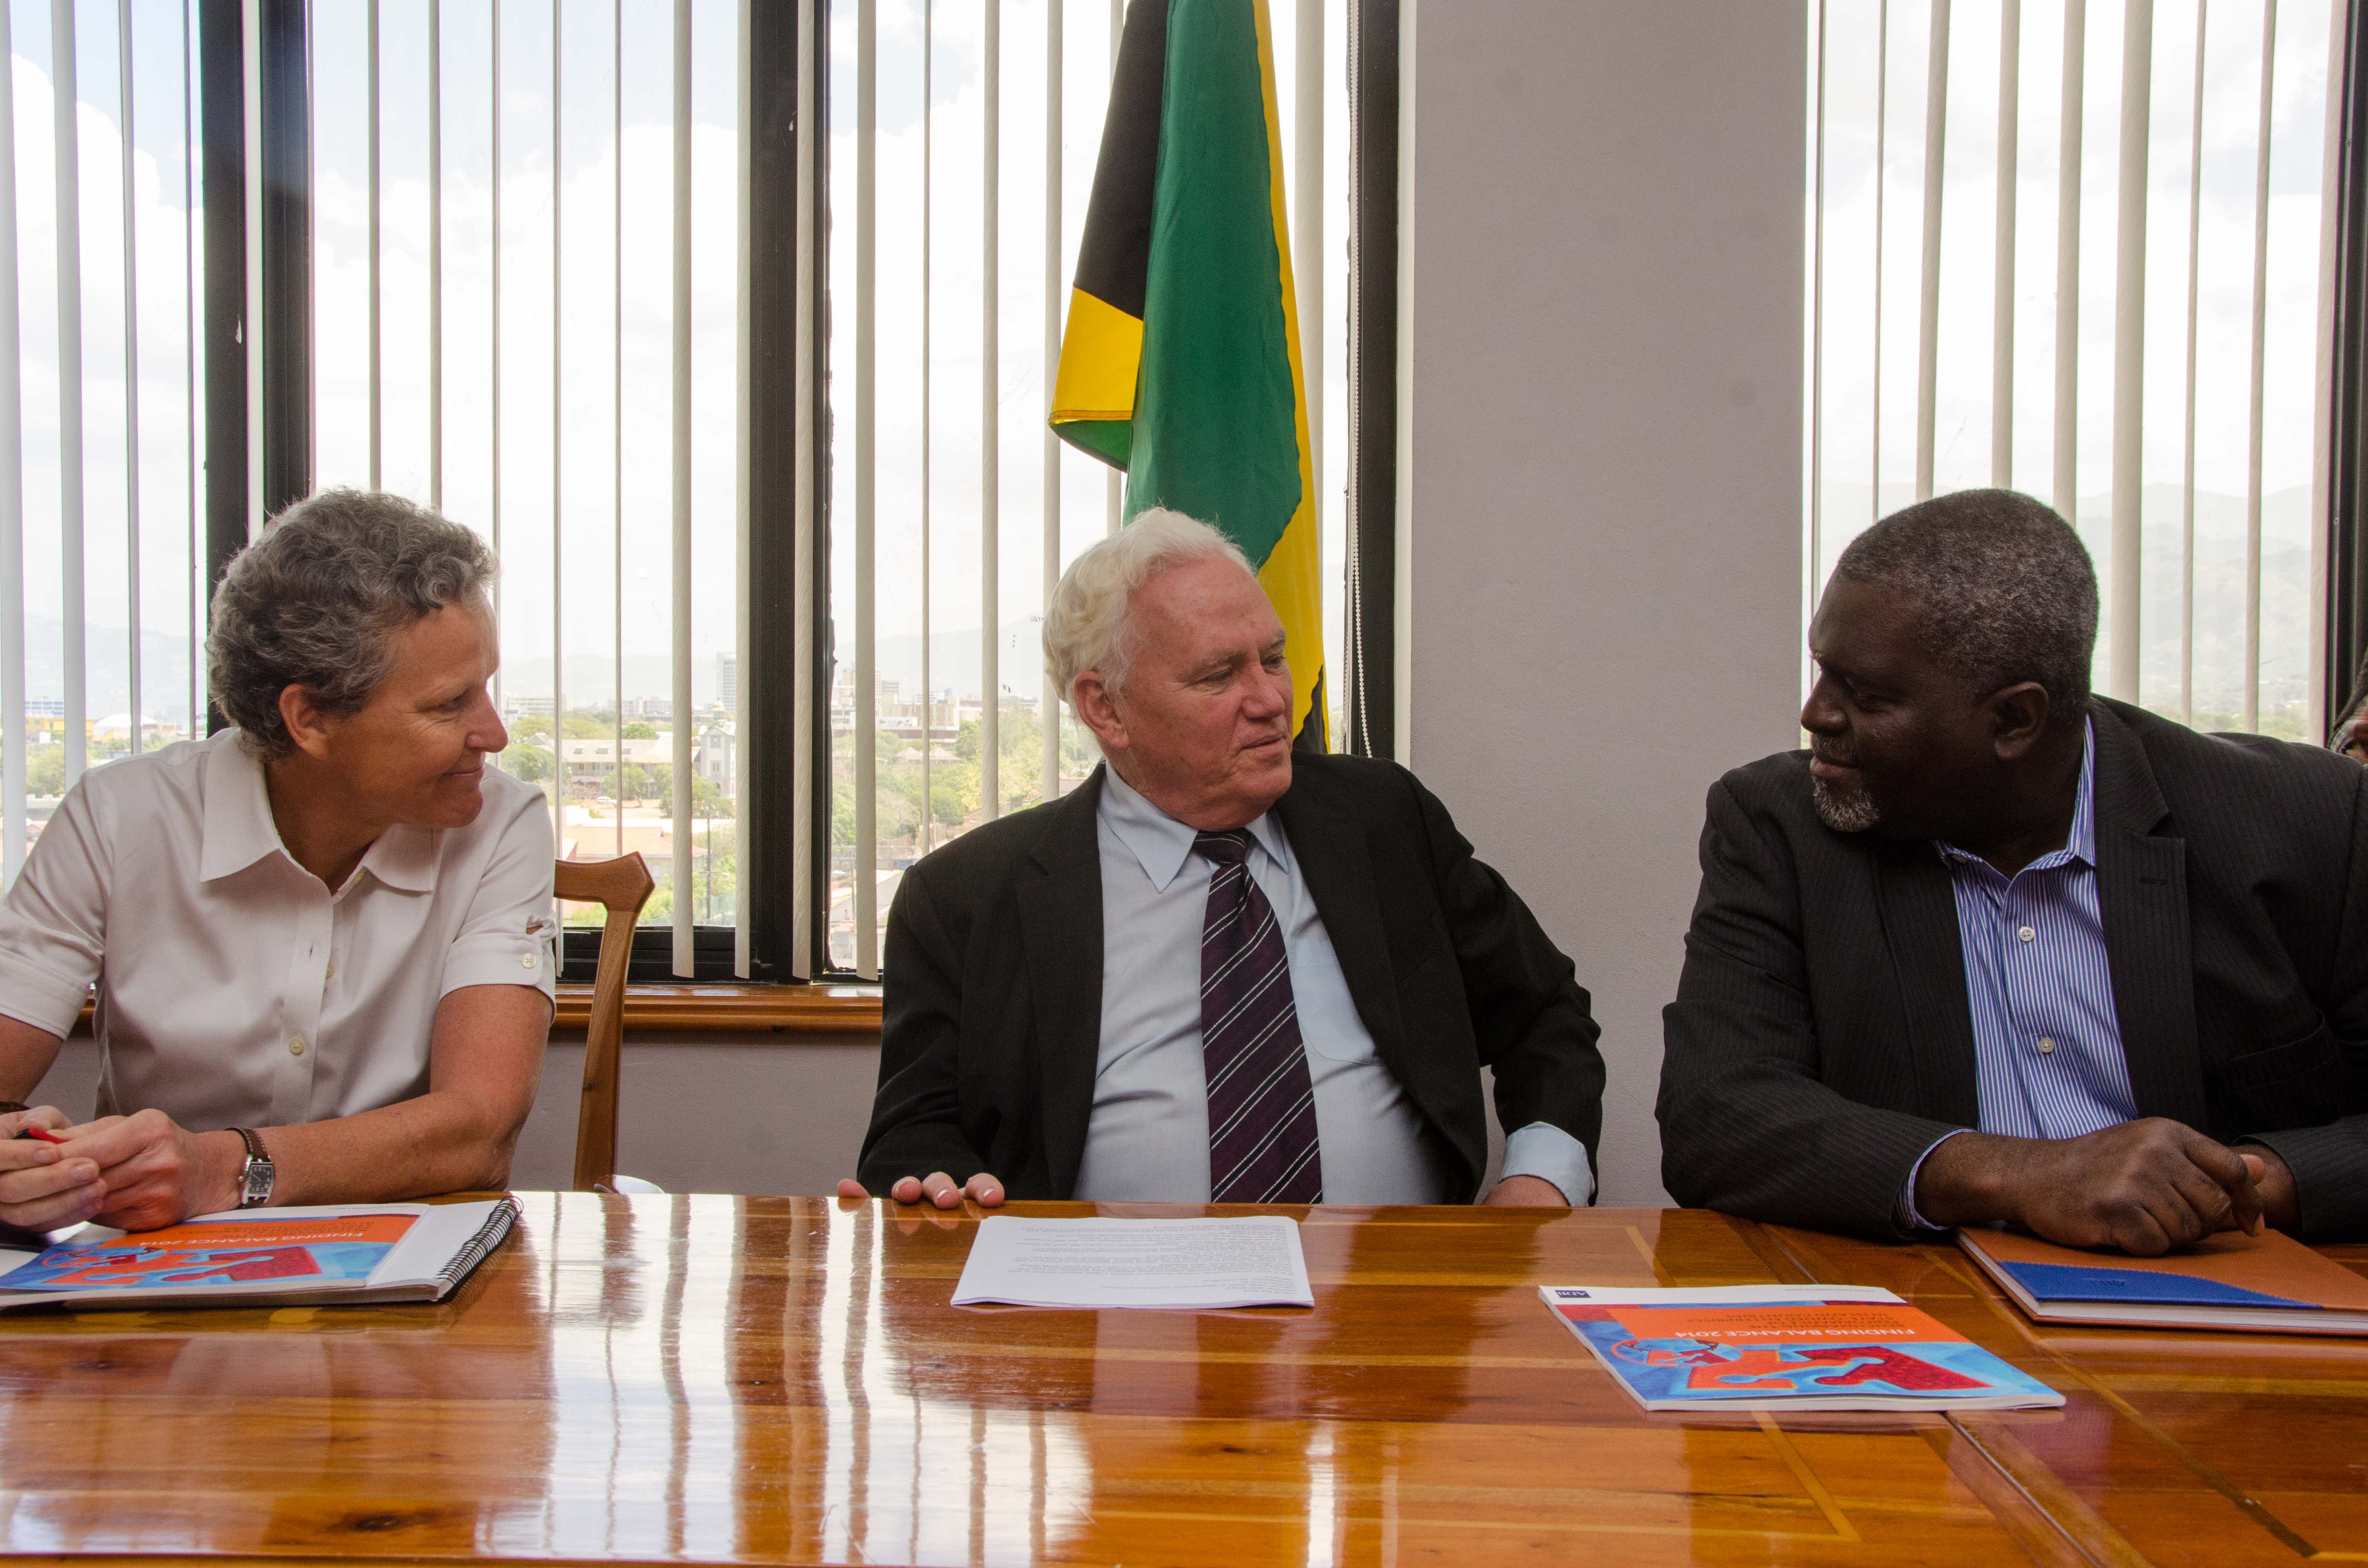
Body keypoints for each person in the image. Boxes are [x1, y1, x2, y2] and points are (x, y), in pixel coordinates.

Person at [1659, 489, 2368, 1250]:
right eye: (1824, 672)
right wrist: (2020, 1175)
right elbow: (1717, 1114)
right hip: (1930, 1311)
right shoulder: (1779, 824)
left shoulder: (2307, 820)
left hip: (2237, 1310)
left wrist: (2244, 1183)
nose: (1816, 714)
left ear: (2014, 720)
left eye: (1865, 695)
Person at [839, 510, 1605, 1210]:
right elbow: (914, 1137)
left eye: (1271, 659)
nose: (1271, 698)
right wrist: (934, 1186)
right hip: (1104, 1322)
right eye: (1219, 675)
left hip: (1394, 1301)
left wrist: (1538, 1183)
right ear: (1105, 707)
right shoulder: (966, 898)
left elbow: (1545, 1014)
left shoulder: (1382, 822)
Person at [0, 489, 556, 1233]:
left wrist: (218, 1170)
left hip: (397, 1268)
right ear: (312, 719)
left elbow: (480, 1129)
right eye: (449, 704)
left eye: (484, 689)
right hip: (145, 1270)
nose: (493, 734)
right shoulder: (116, 817)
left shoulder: (502, 822)